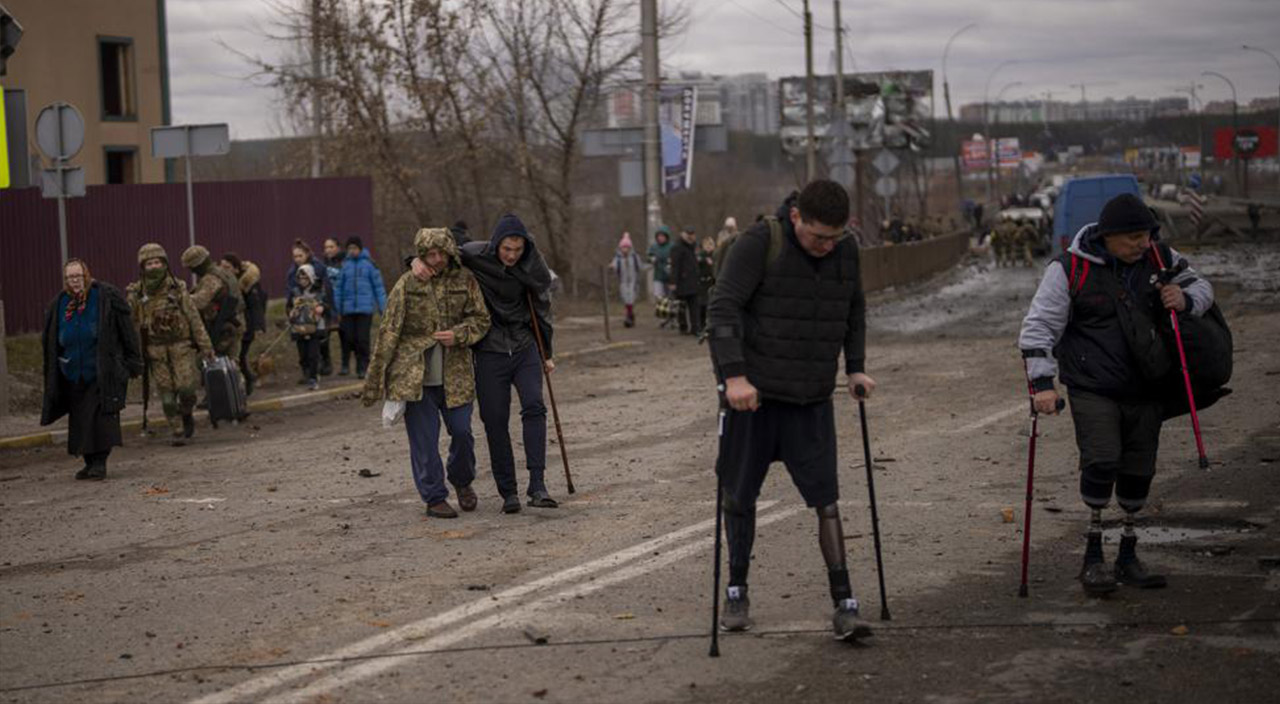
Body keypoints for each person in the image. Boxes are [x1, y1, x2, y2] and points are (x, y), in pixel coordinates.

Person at [1019, 192, 1214, 597]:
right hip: (1093, 386)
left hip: (1148, 385)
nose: (1143, 244)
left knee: (1138, 472)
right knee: (1102, 459)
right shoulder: (1069, 268)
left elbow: (1202, 286)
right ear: (1108, 236)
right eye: (1133, 238)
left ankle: (1128, 555)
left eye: (1147, 235)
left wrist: (1186, 299)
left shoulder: (1161, 259)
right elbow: (1039, 327)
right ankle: (1093, 556)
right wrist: (1042, 385)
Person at [708, 180, 877, 642]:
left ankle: (845, 603)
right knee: (739, 497)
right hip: (754, 398)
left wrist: (856, 368)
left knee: (826, 500)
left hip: (811, 399)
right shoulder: (759, 242)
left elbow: (854, 309)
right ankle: (736, 591)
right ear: (797, 217)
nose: (826, 246)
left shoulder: (845, 250)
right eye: (818, 236)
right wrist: (734, 377)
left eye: (834, 237)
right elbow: (722, 309)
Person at [414, 213, 557, 513]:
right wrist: (412, 261)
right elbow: (441, 254)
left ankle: (538, 485)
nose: (512, 255)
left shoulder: (533, 263)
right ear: (496, 245)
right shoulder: (475, 254)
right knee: (494, 420)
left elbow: (543, 304)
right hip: (490, 349)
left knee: (534, 406)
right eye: (507, 249)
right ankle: (508, 492)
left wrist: (547, 352)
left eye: (517, 250)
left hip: (524, 344)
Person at [365, 228, 491, 518]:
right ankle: (434, 497)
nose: (436, 259)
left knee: (463, 433)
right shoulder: (407, 283)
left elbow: (481, 319)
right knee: (424, 443)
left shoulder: (465, 280)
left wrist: (460, 334)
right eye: (429, 255)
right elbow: (389, 330)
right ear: (420, 255)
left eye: (440, 253)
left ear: (449, 252)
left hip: (456, 374)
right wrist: (375, 380)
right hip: (415, 378)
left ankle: (462, 480)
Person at [41, 259, 143, 480]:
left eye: (78, 276)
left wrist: (133, 361)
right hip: (73, 372)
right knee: (80, 419)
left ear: (86, 275)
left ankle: (99, 463)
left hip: (102, 370)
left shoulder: (105, 296)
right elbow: (50, 339)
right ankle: (89, 462)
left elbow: (126, 330)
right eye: (70, 277)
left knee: (101, 419)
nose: (74, 281)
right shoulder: (60, 303)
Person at [126, 244, 214, 446]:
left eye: (157, 262)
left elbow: (193, 318)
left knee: (186, 389)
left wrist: (206, 346)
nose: (154, 267)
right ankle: (177, 429)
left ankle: (186, 412)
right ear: (143, 267)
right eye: (149, 263)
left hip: (180, 346)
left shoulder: (178, 287)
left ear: (165, 264)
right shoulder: (137, 292)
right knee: (167, 396)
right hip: (155, 351)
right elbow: (130, 322)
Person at [335, 236, 388, 379]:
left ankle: (363, 366)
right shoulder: (344, 266)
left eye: (354, 248)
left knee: (362, 339)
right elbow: (338, 288)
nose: (352, 251)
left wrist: (383, 308)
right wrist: (338, 309)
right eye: (349, 248)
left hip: (365, 310)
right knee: (350, 338)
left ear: (360, 248)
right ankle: (358, 362)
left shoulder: (369, 265)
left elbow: (378, 288)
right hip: (348, 310)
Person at [182, 245, 245, 359]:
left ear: (198, 266)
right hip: (234, 323)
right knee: (232, 363)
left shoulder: (211, 278)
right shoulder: (224, 272)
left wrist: (180, 297)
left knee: (219, 364)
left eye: (191, 268)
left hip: (224, 329)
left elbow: (200, 302)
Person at [219, 253, 267, 396]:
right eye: (222, 266)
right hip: (229, 325)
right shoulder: (222, 282)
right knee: (233, 357)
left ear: (236, 269)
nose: (224, 270)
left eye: (227, 267)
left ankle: (245, 381)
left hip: (246, 325)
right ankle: (245, 380)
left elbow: (256, 306)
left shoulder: (248, 284)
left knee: (239, 355)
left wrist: (258, 326)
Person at [287, 241, 334, 378]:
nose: (297, 259)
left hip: (317, 310)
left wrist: (325, 308)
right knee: (302, 345)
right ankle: (307, 371)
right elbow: (290, 293)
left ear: (307, 254)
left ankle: (322, 365)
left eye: (300, 256)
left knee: (320, 340)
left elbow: (326, 290)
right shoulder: (292, 272)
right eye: (295, 256)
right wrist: (290, 311)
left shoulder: (318, 268)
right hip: (300, 313)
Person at [668, 226, 701, 335]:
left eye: (692, 234)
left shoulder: (694, 247)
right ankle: (683, 327)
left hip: (693, 280)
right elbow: (674, 266)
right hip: (682, 281)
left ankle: (695, 328)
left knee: (694, 306)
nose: (690, 236)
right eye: (688, 234)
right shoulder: (677, 247)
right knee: (681, 306)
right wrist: (673, 281)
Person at [322, 238, 347, 374]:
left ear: (338, 247)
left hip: (342, 304)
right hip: (327, 306)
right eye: (326, 247)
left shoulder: (345, 263)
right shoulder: (322, 265)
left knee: (345, 338)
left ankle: (345, 364)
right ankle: (326, 364)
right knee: (323, 337)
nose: (328, 250)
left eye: (331, 247)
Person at [611, 232, 644, 328]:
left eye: (627, 247)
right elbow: (615, 266)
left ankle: (629, 316)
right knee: (625, 298)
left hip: (633, 280)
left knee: (631, 298)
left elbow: (640, 266)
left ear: (630, 248)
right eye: (623, 247)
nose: (625, 249)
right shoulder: (618, 258)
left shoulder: (634, 257)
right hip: (623, 281)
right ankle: (629, 314)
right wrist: (612, 266)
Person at [696, 235, 716, 335]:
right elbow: (697, 261)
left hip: (712, 282)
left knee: (711, 305)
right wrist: (704, 260)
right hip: (702, 283)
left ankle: (710, 326)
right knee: (701, 306)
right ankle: (701, 326)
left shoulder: (715, 255)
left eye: (710, 245)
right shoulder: (701, 255)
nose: (708, 247)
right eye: (706, 245)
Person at [647, 226, 673, 301]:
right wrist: (651, 259)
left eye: (662, 236)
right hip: (658, 275)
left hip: (670, 276)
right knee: (659, 297)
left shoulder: (672, 246)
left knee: (670, 297)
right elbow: (649, 256)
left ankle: (669, 307)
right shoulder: (654, 246)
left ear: (666, 236)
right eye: (659, 236)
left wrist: (672, 260)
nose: (660, 238)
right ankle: (660, 307)